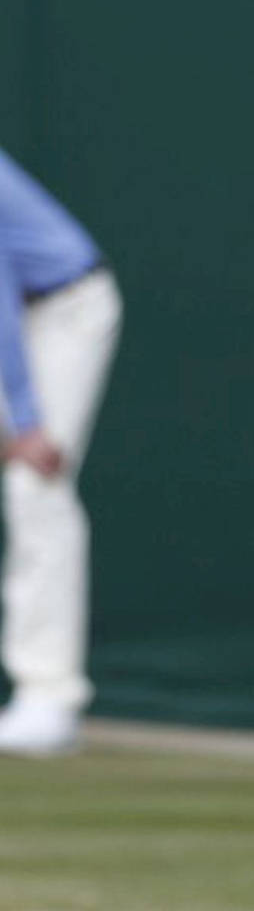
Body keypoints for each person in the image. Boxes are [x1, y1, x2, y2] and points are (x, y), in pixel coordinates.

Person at [0, 148, 120, 757]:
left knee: (34, 485)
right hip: (17, 319)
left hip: (65, 312)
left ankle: (48, 698)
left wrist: (26, 424)